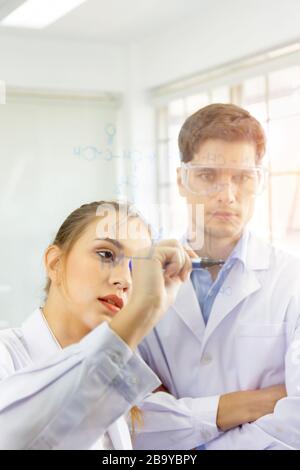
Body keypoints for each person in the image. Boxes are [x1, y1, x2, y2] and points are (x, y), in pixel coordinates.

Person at [134, 104, 300, 450]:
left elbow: (294, 421)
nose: (227, 194)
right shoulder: (137, 279)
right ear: (182, 180)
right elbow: (132, 416)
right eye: (209, 175)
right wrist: (249, 403)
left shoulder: (291, 280)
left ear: (258, 182)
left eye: (241, 177)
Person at [0, 200, 192, 450]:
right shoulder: (5, 356)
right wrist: (135, 319)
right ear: (55, 263)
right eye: (106, 254)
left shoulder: (115, 390)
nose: (124, 280)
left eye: (136, 268)